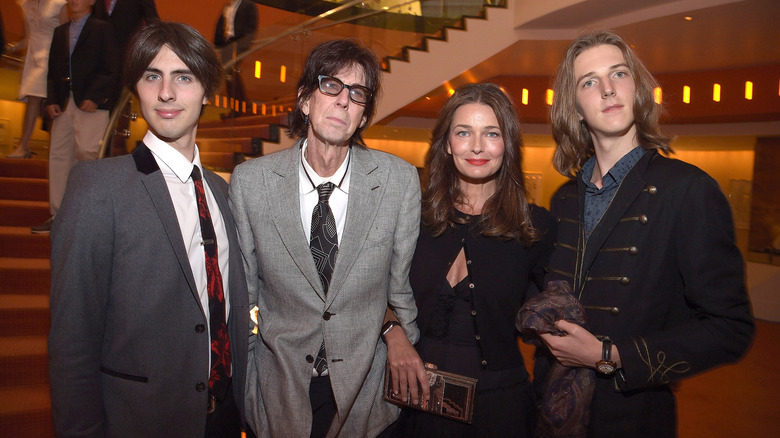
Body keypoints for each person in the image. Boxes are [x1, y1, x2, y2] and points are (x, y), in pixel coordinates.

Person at [535, 30, 754, 436]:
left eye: (618, 73)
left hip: (631, 417)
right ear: (576, 108)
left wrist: (609, 355)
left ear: (637, 89)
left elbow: (730, 328)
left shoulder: (688, 189)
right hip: (553, 411)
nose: (606, 89)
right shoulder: (564, 198)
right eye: (589, 81)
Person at [48, 21, 249, 437]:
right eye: (151, 76)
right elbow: (72, 341)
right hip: (139, 421)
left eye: (184, 77)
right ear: (136, 89)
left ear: (207, 90)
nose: (166, 93)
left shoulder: (223, 191)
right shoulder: (96, 187)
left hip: (226, 419)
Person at [230, 38, 423, 437]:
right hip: (277, 392)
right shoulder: (252, 183)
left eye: (357, 93)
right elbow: (242, 297)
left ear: (364, 115)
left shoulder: (397, 181)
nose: (343, 101)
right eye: (330, 85)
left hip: (366, 397)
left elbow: (399, 291)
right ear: (304, 100)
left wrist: (399, 341)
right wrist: (249, 382)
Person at [389, 83, 556, 437]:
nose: (477, 146)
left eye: (491, 133)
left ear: (507, 145)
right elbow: (369, 291)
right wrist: (394, 336)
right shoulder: (412, 217)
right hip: (413, 398)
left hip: (498, 408)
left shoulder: (535, 226)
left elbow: (556, 315)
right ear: (447, 144)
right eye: (463, 132)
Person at [31, 0, 119, 234]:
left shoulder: (102, 28)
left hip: (90, 104)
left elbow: (111, 68)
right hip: (62, 103)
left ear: (92, 2)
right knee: (58, 157)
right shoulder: (60, 32)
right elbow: (52, 71)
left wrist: (95, 97)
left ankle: (88, 217)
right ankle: (58, 216)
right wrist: (50, 100)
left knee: (87, 156)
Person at [94, 0, 159, 156]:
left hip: (126, 60)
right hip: (98, 62)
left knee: (120, 106)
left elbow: (153, 22)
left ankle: (116, 150)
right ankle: (102, 149)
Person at [5, 0, 68, 159]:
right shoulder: (25, 4)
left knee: (41, 100)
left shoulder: (59, 3)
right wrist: (10, 47)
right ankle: (30, 147)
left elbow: (67, 35)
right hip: (32, 58)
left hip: (51, 56)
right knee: (37, 103)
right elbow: (28, 37)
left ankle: (26, 146)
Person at [214, 0, 258, 117]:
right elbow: (221, 25)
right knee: (229, 75)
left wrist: (244, 43)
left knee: (231, 73)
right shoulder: (227, 6)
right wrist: (217, 44)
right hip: (226, 44)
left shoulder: (248, 5)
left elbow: (252, 27)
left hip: (239, 43)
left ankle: (241, 106)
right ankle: (239, 107)